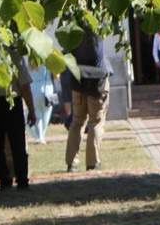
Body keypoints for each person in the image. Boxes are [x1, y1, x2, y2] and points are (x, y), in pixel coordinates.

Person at [0, 51, 37, 190]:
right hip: (12, 101)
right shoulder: (15, 55)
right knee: (18, 144)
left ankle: (4, 179)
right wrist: (32, 111)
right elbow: (25, 87)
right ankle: (22, 180)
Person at [65, 30, 112, 172]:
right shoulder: (96, 34)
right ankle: (92, 162)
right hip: (97, 82)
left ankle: (71, 163)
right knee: (96, 122)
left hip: (79, 80)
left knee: (77, 121)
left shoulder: (74, 36)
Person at [26, 58, 56, 145]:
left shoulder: (30, 60)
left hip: (33, 86)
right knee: (46, 114)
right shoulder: (48, 59)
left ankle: (39, 136)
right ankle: (41, 136)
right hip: (47, 87)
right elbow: (56, 76)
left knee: (36, 113)